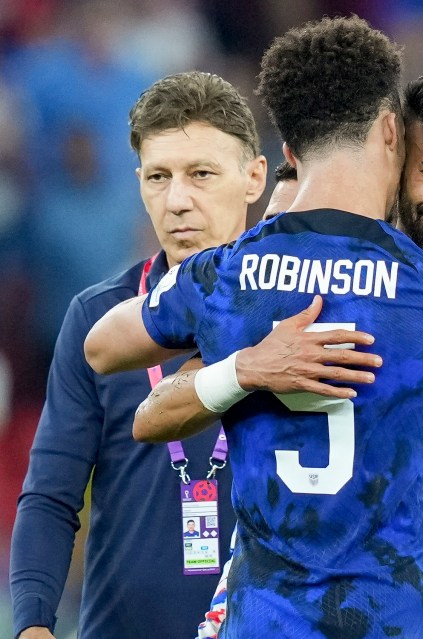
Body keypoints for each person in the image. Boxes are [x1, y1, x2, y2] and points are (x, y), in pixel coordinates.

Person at [84, 18, 423, 639]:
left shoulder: (228, 272)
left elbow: (102, 347)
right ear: (389, 131)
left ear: (290, 152)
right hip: (398, 621)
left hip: (267, 621)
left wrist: (242, 368)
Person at [8, 71, 265, 639]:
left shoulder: (295, 312)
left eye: (201, 174)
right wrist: (32, 626)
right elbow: (51, 495)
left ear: (253, 177)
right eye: (158, 177)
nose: (177, 200)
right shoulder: (97, 320)